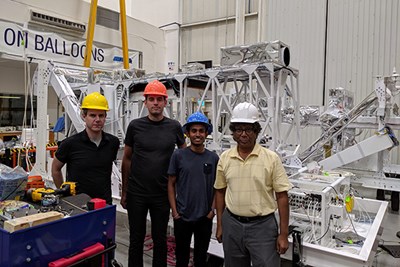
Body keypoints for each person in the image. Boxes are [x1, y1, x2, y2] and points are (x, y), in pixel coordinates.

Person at [214, 102, 292, 267]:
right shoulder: (225, 158)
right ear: (233, 132)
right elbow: (220, 192)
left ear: (256, 131)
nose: (243, 134)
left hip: (262, 227)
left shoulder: (271, 159)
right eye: (238, 129)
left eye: (248, 129)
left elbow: (282, 196)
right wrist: (220, 225)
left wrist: (283, 234)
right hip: (232, 224)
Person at [121, 80, 186, 267]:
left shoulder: (174, 127)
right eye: (152, 99)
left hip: (162, 195)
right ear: (145, 102)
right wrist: (125, 191)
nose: (155, 103)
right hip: (137, 194)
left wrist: (179, 192)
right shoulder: (135, 126)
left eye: (159, 99)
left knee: (160, 240)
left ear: (166, 102)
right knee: (136, 240)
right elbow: (127, 159)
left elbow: (184, 156)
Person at [167, 112, 219, 267]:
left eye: (201, 131)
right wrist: (175, 212)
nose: (198, 134)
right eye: (194, 131)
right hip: (182, 216)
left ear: (206, 133)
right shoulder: (178, 156)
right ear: (188, 133)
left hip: (204, 217)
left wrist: (212, 211)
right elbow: (171, 183)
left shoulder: (213, 158)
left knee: (200, 258)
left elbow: (218, 187)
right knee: (181, 258)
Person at [52, 92, 120, 204]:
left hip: (104, 203)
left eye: (101, 115)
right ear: (84, 116)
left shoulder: (113, 142)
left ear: (105, 117)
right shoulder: (70, 144)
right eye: (92, 115)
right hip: (77, 204)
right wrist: (65, 193)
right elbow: (55, 169)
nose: (97, 120)